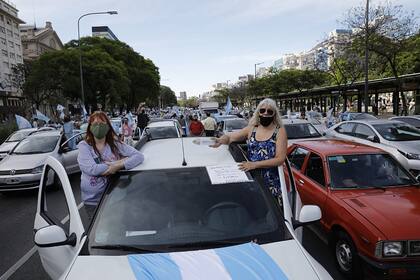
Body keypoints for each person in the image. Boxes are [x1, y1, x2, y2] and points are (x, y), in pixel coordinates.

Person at [211, 98, 287, 198]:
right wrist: (221, 140)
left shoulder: (279, 131)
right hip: (252, 179)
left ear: (274, 114)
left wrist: (254, 165)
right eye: (262, 110)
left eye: (269, 111)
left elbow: (280, 159)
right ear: (258, 112)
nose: (265, 113)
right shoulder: (252, 128)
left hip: (271, 182)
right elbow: (230, 137)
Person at [77, 111, 144, 220]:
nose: (98, 127)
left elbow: (139, 156)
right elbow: (92, 169)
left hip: (114, 198)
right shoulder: (84, 146)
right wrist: (116, 164)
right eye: (95, 124)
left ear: (108, 126)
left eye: (102, 124)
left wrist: (118, 166)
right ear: (90, 127)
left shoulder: (115, 143)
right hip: (93, 202)